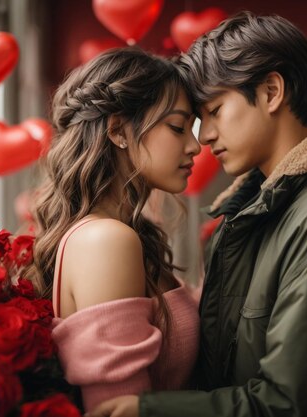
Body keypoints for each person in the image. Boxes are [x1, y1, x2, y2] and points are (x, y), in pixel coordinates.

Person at [87, 11, 307, 417]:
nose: (206, 137)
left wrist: (150, 411)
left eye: (215, 110)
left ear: (271, 92)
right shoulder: (261, 215)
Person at [28, 47, 201, 412]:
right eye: (177, 127)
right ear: (119, 130)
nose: (195, 146)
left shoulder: (122, 233)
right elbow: (118, 409)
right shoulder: (105, 241)